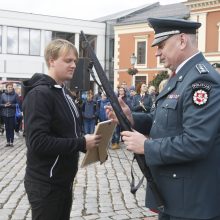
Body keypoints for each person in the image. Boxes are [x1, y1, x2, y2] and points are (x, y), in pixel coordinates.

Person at [106, 18, 220, 220]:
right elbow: (163, 121)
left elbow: (196, 142)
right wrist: (131, 118)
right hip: (174, 197)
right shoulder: (180, 77)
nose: (157, 52)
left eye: (161, 45)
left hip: (191, 203)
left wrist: (147, 146)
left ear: (182, 41)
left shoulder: (201, 80)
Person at [22, 39, 101, 220]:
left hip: (62, 181)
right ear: (51, 60)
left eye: (74, 61)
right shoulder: (40, 94)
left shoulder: (63, 92)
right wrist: (81, 142)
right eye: (68, 61)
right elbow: (37, 142)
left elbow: (68, 133)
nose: (74, 65)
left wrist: (89, 141)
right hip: (46, 183)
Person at [0, 83, 20, 147]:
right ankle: (8, 141)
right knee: (7, 128)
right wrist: (5, 105)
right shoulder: (2, 95)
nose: (10, 88)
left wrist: (11, 105)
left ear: (12, 88)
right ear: (6, 88)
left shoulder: (15, 95)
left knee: (11, 128)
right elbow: (0, 104)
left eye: (11, 87)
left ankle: (11, 142)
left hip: (12, 114)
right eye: (9, 87)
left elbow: (18, 104)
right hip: (4, 114)